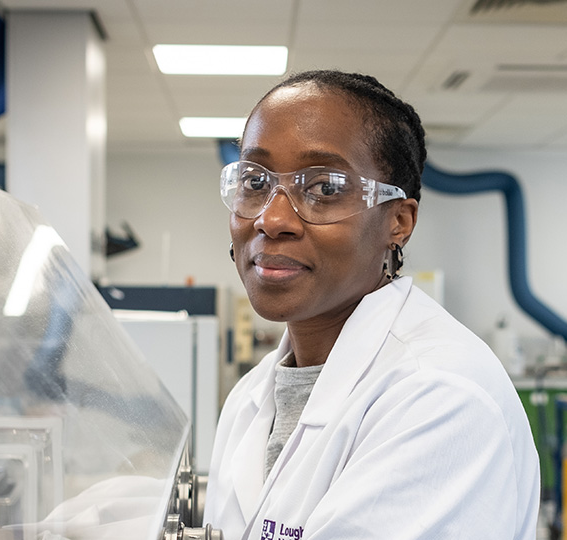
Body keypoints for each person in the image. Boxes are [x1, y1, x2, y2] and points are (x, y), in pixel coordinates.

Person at [204, 70, 541, 540]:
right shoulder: (251, 396)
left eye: (323, 188)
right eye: (255, 181)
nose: (272, 218)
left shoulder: (440, 398)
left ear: (398, 222)